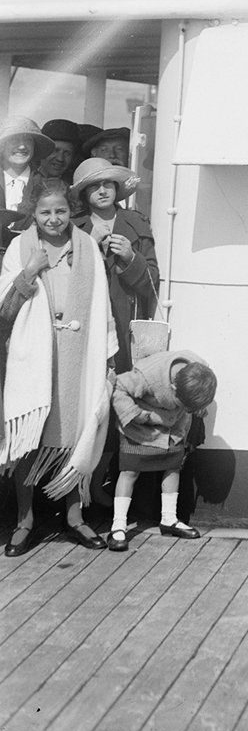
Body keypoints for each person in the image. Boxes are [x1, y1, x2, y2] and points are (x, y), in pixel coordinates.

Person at [0, 182, 117, 555]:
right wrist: (28, 272)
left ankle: (74, 517)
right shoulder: (21, 248)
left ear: (70, 211)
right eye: (46, 212)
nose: (54, 218)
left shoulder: (86, 248)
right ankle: (25, 520)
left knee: (74, 427)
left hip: (77, 349)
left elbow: (102, 307)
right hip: (33, 352)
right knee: (29, 435)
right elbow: (4, 308)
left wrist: (107, 355)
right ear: (33, 215)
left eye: (61, 211)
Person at [108, 350, 217, 551]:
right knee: (129, 471)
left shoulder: (199, 370)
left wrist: (196, 407)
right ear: (174, 387)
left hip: (172, 428)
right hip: (140, 426)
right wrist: (136, 415)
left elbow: (195, 398)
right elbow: (119, 386)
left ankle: (169, 519)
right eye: (183, 404)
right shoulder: (148, 375)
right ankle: (118, 525)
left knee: (173, 467)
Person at [72, 157, 159, 375]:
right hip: (89, 319)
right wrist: (90, 245)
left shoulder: (137, 223)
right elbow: (67, 279)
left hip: (127, 321)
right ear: (83, 193)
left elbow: (153, 282)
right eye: (94, 186)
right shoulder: (73, 228)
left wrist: (131, 257)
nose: (102, 191)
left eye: (107, 184)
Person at [1, 115, 55, 251]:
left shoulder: (47, 187)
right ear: (2, 145)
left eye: (28, 140)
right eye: (14, 139)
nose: (22, 146)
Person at [39, 120, 81, 186]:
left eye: (67, 153)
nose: (60, 158)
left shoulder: (75, 187)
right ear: (42, 151)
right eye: (55, 150)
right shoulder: (24, 180)